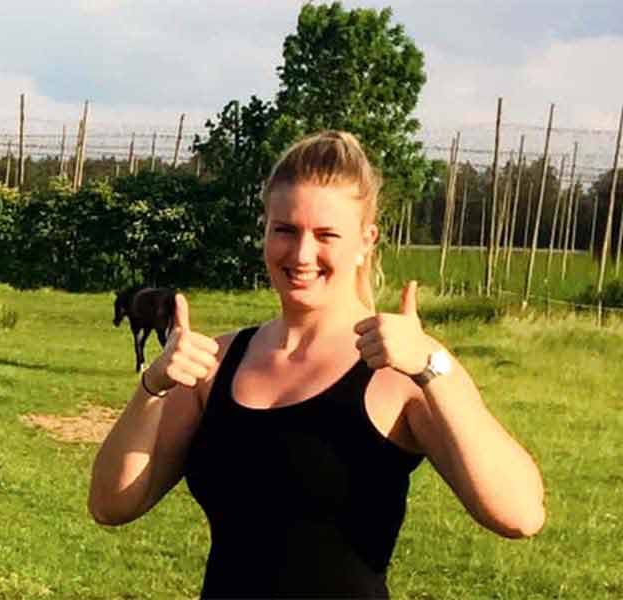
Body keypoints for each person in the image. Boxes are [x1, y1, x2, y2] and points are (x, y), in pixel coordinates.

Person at [87, 131, 545, 598]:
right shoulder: (214, 365)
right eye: (285, 230)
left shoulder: (404, 370)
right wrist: (154, 386)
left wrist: (430, 367)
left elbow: (520, 514)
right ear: (264, 229)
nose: (302, 254)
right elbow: (111, 504)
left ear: (366, 240)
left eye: (326, 235)